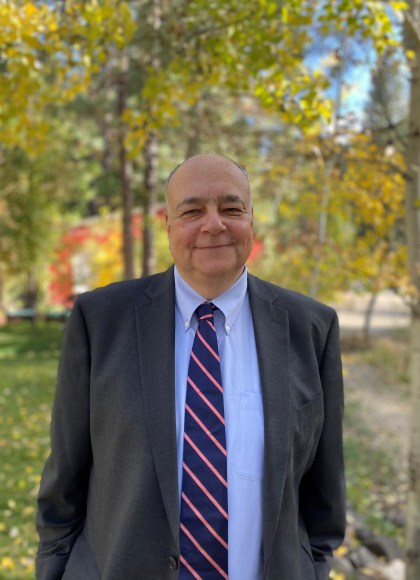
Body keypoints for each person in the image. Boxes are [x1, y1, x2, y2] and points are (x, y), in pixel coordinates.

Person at [36, 153, 346, 580]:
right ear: (168, 226)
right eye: (192, 211)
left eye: (231, 208)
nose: (213, 224)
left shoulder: (310, 328)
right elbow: (63, 488)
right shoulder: (100, 322)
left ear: (252, 221)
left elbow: (324, 499)